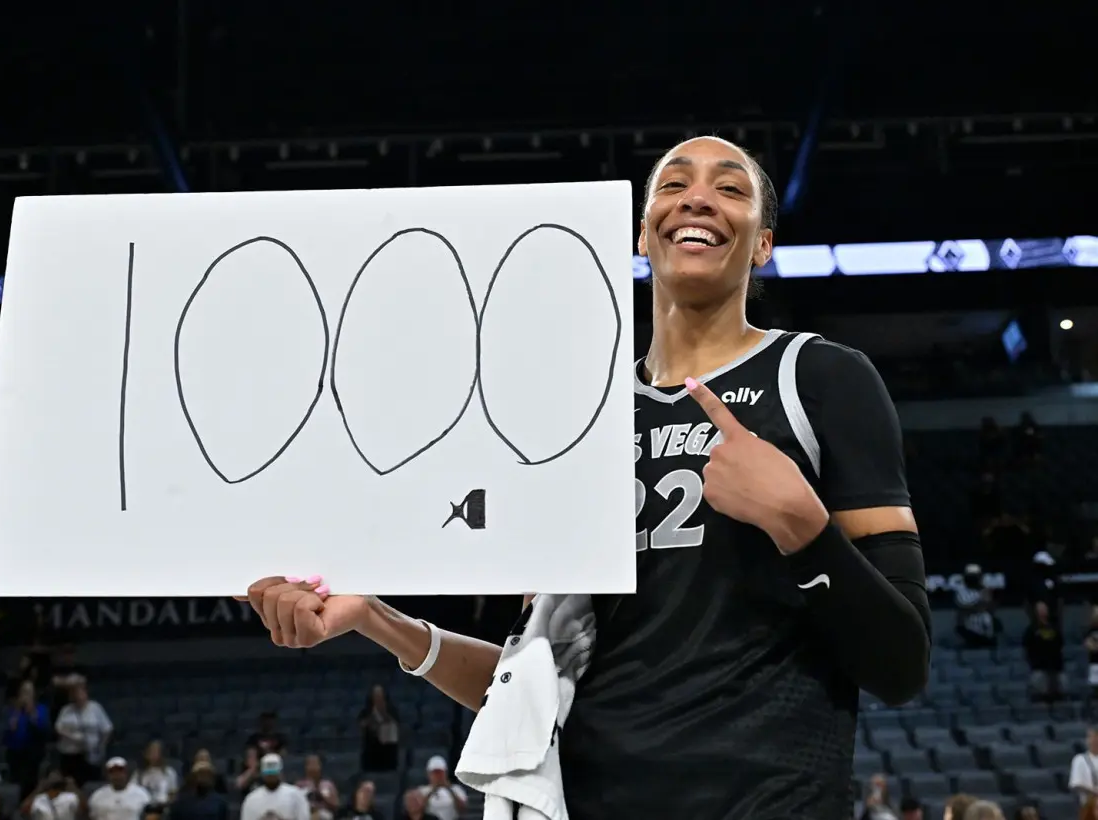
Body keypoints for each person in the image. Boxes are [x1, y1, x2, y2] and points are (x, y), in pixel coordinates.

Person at [243, 136, 931, 820]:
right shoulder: (576, 422)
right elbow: (529, 684)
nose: (697, 197)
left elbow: (901, 666)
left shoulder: (823, 378)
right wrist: (376, 619)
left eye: (730, 188)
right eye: (672, 184)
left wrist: (802, 527)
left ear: (762, 245)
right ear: (640, 235)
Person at [238, 754, 309, 820]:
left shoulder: (295, 794)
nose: (271, 777)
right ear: (262, 774)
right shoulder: (252, 799)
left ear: (280, 773)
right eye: (268, 774)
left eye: (274, 774)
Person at [356, 685, 399, 772]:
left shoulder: (391, 710)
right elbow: (361, 725)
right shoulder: (366, 711)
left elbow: (396, 725)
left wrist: (384, 714)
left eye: (380, 695)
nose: (378, 698)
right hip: (370, 753)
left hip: (388, 753)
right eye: (376, 695)